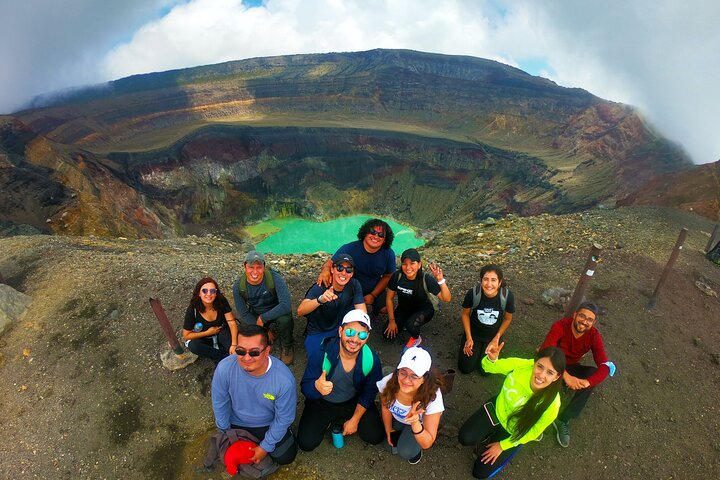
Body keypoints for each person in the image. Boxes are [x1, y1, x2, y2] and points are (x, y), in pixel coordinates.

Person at [458, 343, 566, 479]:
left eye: (550, 372)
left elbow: (533, 432)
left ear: (556, 377)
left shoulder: (552, 404)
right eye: (539, 366)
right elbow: (488, 367)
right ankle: (486, 433)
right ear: (534, 363)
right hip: (496, 411)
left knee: (480, 473)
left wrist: (503, 446)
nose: (541, 375)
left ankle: (507, 445)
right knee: (465, 438)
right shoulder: (521, 366)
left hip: (514, 432)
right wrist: (491, 359)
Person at [297, 309, 384, 451]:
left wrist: (355, 419)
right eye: (350, 332)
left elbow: (369, 392)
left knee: (375, 436)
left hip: (352, 401)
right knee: (306, 444)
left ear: (367, 337)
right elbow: (305, 386)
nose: (355, 339)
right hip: (322, 402)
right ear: (340, 331)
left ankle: (339, 420)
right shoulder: (321, 353)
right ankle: (332, 420)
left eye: (361, 335)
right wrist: (316, 387)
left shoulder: (371, 359)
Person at [211, 324, 297, 466]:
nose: (246, 358)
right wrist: (224, 431)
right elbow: (220, 402)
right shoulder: (224, 368)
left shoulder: (284, 380)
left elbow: (284, 418)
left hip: (267, 424)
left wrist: (265, 447)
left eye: (254, 353)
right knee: (226, 455)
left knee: (286, 457)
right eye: (240, 351)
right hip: (235, 423)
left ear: (267, 350)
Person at [539, 302, 615, 448]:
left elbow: (605, 366)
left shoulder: (594, 335)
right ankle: (538, 415)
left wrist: (587, 383)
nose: (584, 322)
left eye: (589, 320)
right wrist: (565, 376)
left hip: (573, 366)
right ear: (575, 315)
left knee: (592, 375)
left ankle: (563, 419)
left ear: (593, 323)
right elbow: (546, 350)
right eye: (582, 316)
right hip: (553, 363)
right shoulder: (560, 326)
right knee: (543, 373)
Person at [377, 347, 444, 465]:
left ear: (424, 378)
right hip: (399, 418)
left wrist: (415, 422)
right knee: (390, 446)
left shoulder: (433, 398)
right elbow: (385, 405)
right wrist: (388, 430)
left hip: (419, 424)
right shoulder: (388, 382)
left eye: (414, 376)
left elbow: (427, 443)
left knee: (406, 452)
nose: (406, 380)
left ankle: (415, 451)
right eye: (403, 372)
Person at [317, 218, 396, 316]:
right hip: (350, 287)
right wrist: (325, 270)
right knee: (342, 309)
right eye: (372, 232)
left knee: (385, 309)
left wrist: (373, 295)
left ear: (385, 240)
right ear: (365, 233)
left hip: (373, 288)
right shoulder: (349, 248)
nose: (376, 236)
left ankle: (371, 310)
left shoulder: (388, 254)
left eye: (381, 235)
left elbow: (388, 276)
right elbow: (330, 262)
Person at [232, 250, 295, 365]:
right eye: (251, 267)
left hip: (276, 311)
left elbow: (285, 305)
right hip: (257, 313)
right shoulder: (238, 287)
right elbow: (244, 313)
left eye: (259, 267)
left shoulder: (274, 278)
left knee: (285, 320)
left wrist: (263, 319)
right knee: (247, 327)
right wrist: (264, 330)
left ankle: (287, 345)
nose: (255, 271)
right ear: (245, 267)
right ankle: (266, 335)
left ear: (264, 267)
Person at [298, 252, 365, 358]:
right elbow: (300, 311)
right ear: (332, 270)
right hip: (318, 331)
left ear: (352, 273)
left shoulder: (354, 285)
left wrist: (361, 332)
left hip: (339, 329)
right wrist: (321, 299)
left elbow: (362, 312)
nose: (344, 273)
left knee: (348, 356)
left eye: (348, 270)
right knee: (317, 359)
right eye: (339, 268)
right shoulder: (321, 286)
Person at [384, 248, 451, 350]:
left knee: (411, 324)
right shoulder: (397, 276)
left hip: (424, 310)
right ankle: (404, 323)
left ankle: (416, 338)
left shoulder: (425, 278)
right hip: (403, 310)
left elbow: (446, 298)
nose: (408, 267)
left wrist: (440, 280)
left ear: (419, 265)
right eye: (404, 264)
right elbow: (389, 298)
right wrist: (392, 321)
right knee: (387, 335)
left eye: (412, 263)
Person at [458, 264, 516, 375]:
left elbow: (507, 319)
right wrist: (469, 338)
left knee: (485, 371)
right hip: (474, 334)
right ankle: (467, 342)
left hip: (493, 336)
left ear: (499, 282)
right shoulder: (473, 294)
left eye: (493, 280)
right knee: (465, 368)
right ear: (481, 281)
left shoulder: (507, 297)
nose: (489, 284)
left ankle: (485, 349)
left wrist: (497, 338)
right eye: (485, 279)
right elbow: (465, 314)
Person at [182, 277, 238, 363]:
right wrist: (207, 333)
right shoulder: (193, 309)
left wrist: (234, 344)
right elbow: (186, 335)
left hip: (222, 332)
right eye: (204, 291)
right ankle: (221, 357)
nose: (209, 294)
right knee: (193, 346)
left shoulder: (221, 300)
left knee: (230, 341)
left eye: (212, 291)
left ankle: (231, 357)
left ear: (216, 293)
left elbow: (232, 323)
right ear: (199, 293)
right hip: (204, 337)